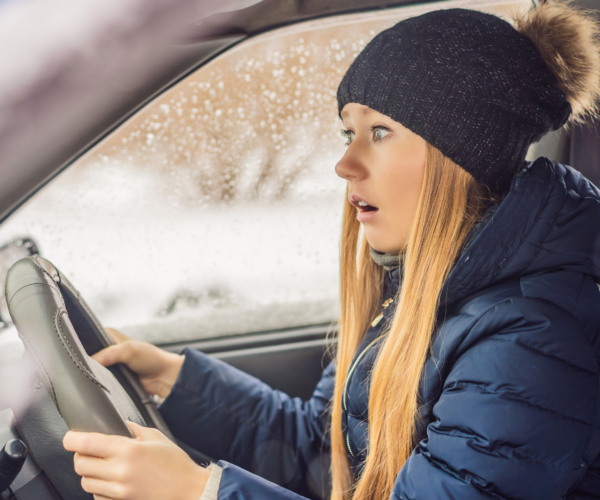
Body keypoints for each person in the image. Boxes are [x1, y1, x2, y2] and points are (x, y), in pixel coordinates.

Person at [63, 1, 600, 499]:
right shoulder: (415, 284)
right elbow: (324, 453)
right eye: (349, 134)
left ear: (460, 157)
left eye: (381, 132)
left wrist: (201, 492)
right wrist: (171, 378)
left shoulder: (531, 339)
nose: (345, 165)